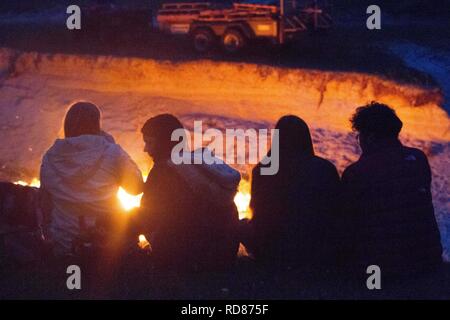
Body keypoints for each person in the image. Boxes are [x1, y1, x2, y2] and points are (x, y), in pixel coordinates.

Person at [342, 102, 442, 276]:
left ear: (370, 137)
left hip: (382, 268)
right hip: (426, 259)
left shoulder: (357, 172)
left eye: (360, 135)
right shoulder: (418, 159)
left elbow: (347, 221)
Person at [139, 114, 240, 272]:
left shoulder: (163, 172)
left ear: (162, 142)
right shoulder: (202, 167)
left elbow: (148, 217)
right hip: (221, 256)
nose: (146, 149)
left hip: (183, 259)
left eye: (149, 142)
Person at [39, 102, 143, 256]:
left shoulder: (50, 156)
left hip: (64, 242)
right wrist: (110, 145)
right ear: (96, 124)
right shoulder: (112, 151)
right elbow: (136, 188)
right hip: (107, 243)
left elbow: (45, 202)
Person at [243, 115, 340, 270]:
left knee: (241, 223)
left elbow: (258, 212)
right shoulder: (325, 168)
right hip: (319, 252)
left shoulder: (262, 170)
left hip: (273, 252)